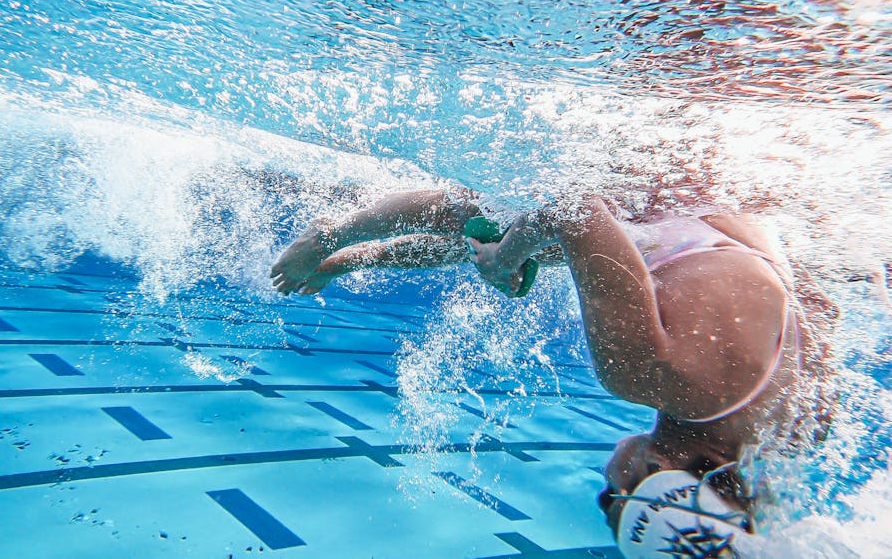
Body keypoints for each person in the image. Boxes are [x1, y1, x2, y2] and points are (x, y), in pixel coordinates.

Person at [271, 188, 834, 557]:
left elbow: (820, 304)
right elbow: (576, 208)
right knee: (479, 221)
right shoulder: (645, 375)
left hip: (726, 216)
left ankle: (342, 258)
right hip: (666, 186)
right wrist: (507, 259)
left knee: (520, 242)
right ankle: (331, 234)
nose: (606, 482)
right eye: (609, 500)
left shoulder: (796, 424)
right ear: (655, 476)